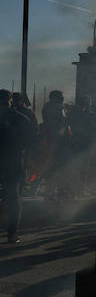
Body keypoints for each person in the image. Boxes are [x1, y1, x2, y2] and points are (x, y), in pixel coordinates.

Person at [0, 90, 35, 244]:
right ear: (10, 100)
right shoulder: (21, 118)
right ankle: (12, 233)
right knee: (14, 198)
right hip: (13, 161)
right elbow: (29, 142)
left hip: (11, 161)